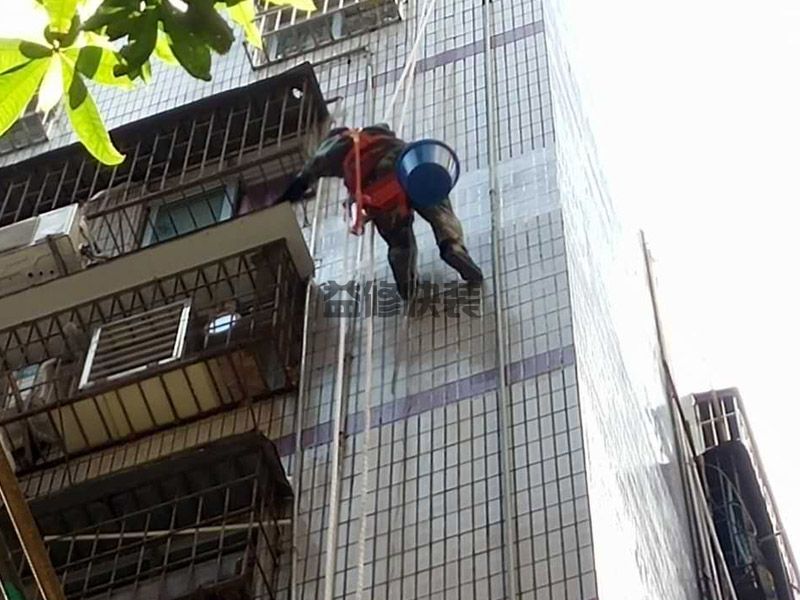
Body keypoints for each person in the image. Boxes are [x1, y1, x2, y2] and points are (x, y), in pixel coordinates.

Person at [278, 123, 483, 300]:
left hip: (378, 188)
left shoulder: (325, 153)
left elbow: (303, 180)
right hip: (407, 166)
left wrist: (281, 202)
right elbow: (388, 131)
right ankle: (452, 245)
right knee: (437, 205)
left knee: (398, 239)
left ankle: (407, 286)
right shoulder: (376, 129)